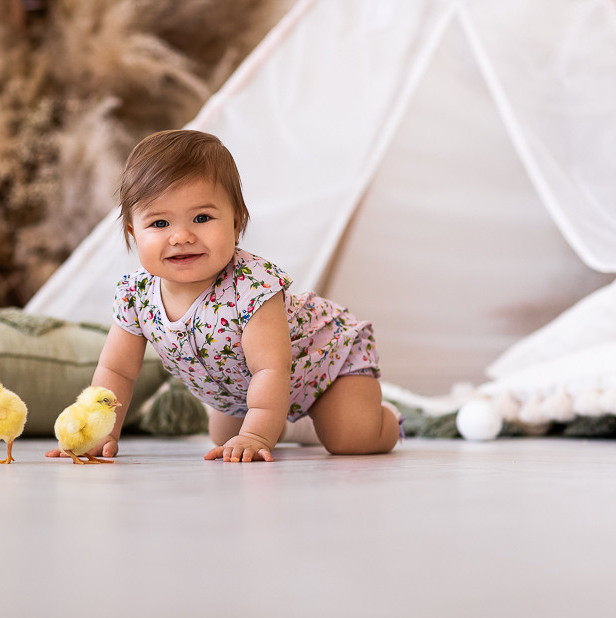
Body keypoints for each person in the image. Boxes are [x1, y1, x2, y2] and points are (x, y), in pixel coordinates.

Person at [46, 129, 402, 463]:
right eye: (159, 223)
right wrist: (100, 432)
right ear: (133, 232)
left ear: (235, 222)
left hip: (326, 365)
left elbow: (270, 368)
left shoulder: (252, 288)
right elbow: (116, 370)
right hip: (243, 393)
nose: (181, 237)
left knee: (349, 438)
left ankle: (386, 418)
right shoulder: (136, 295)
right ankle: (296, 424)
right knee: (223, 437)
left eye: (202, 218)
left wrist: (258, 436)